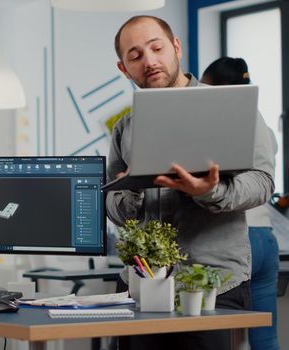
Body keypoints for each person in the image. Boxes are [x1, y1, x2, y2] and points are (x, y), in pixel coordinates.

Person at [108, 16, 275, 350]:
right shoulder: (124, 128)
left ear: (176, 47)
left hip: (211, 285)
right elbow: (113, 206)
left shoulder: (231, 107)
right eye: (136, 55)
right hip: (140, 287)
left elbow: (262, 182)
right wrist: (134, 189)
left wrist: (211, 192)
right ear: (124, 68)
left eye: (156, 48)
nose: (150, 61)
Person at [201, 57, 280, 350]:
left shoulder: (216, 122)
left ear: (215, 87)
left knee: (222, 337)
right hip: (265, 237)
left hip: (236, 237)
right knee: (265, 338)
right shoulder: (265, 128)